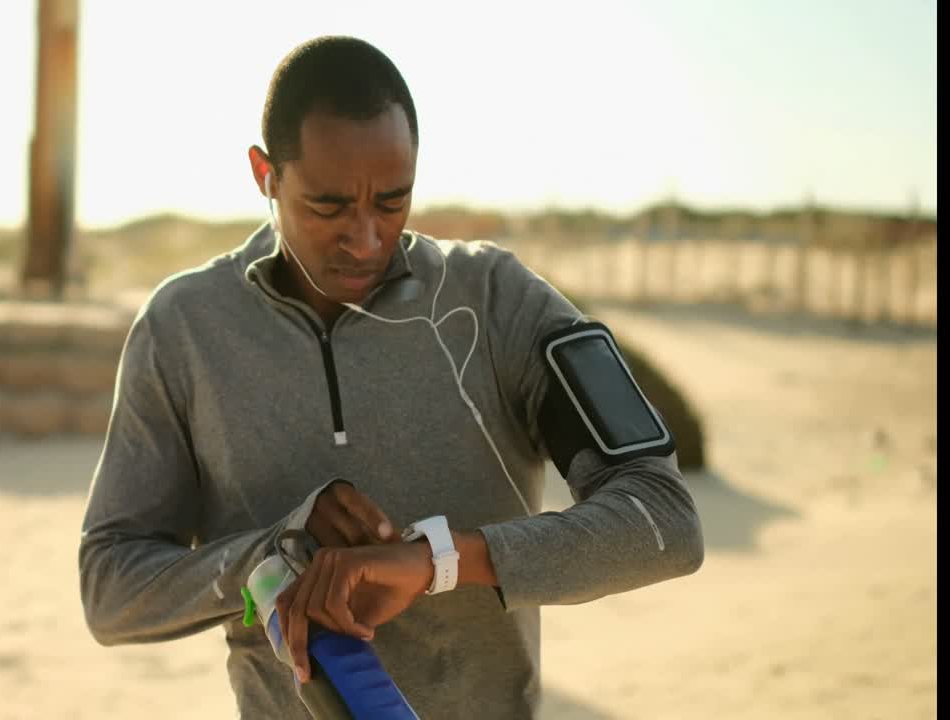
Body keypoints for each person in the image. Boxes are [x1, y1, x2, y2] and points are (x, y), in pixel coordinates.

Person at [79, 35, 704, 718]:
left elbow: (663, 520)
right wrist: (276, 554)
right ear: (265, 175)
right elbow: (111, 590)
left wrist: (442, 558)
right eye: (329, 206)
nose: (366, 237)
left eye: (392, 200)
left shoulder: (497, 301)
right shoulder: (182, 327)